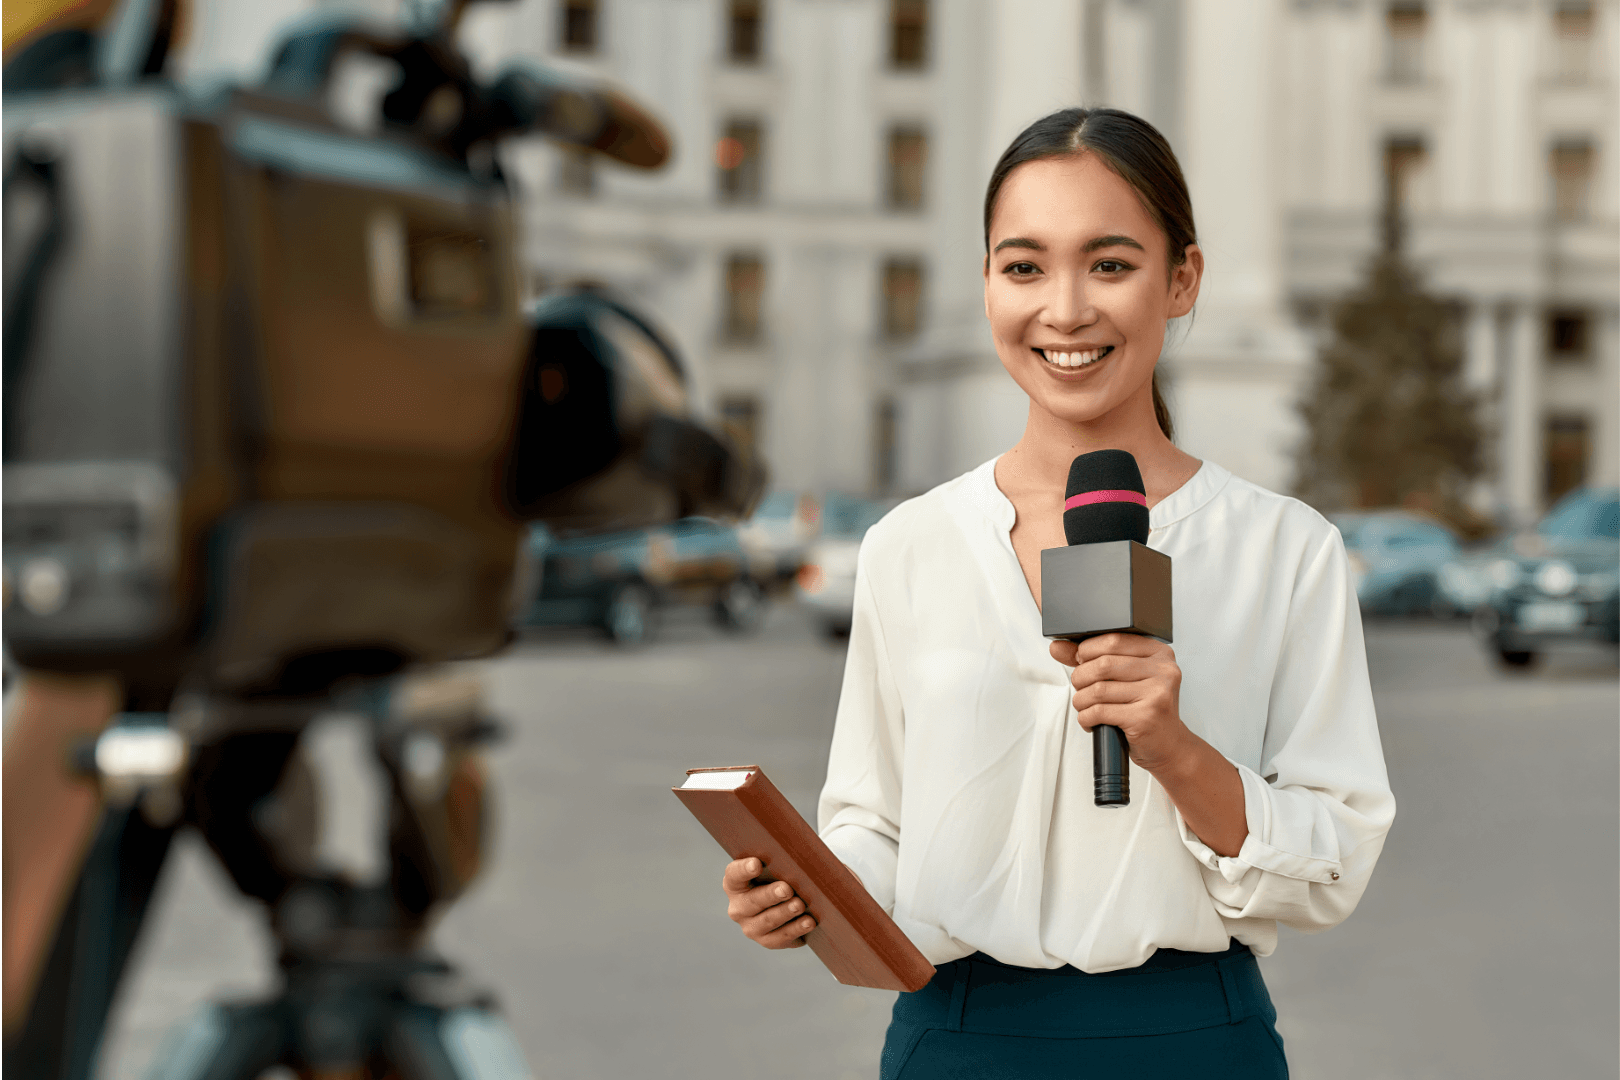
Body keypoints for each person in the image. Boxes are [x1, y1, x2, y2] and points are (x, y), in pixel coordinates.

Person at [718, 107, 1395, 1078]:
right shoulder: (911, 545)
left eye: (1111, 265)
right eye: (1024, 266)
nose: (1065, 309)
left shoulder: (1286, 551)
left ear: (1181, 280)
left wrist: (1173, 747)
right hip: (956, 1037)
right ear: (987, 283)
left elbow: (1335, 857)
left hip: (1194, 1040)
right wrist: (806, 891)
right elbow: (872, 820)